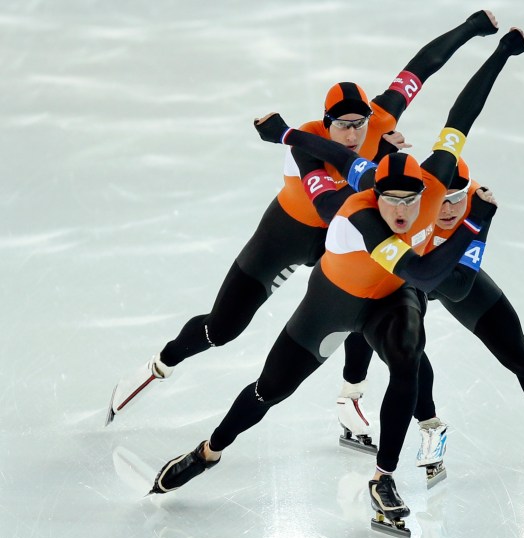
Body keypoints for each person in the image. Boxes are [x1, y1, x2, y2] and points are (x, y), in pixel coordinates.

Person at [148, 28, 524, 538]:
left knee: (407, 357)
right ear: (375, 194)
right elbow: (424, 272)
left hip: (386, 299)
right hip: (331, 307)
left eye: (409, 200)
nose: (400, 211)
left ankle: (384, 478)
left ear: (426, 186)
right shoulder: (359, 214)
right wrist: (470, 223)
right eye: (389, 200)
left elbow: (463, 114)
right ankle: (210, 450)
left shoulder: (426, 173)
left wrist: (502, 53)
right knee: (269, 391)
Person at [106, 9, 501, 424]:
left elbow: (422, 67)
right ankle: (159, 365)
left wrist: (472, 27)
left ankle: (351, 395)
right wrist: (383, 159)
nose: (353, 135)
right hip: (287, 235)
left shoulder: (379, 119)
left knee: (372, 296)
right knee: (222, 330)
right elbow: (329, 208)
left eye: (360, 125)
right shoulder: (305, 146)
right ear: (325, 124)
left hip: (342, 240)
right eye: (343, 126)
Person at [339, 158, 524, 483]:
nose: (448, 209)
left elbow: (459, 288)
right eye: (440, 200)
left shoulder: (478, 203)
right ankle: (380, 406)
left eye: (457, 198)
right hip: (401, 277)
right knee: (378, 327)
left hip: (447, 274)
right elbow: (349, 164)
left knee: (518, 351)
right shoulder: (405, 202)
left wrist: (474, 224)